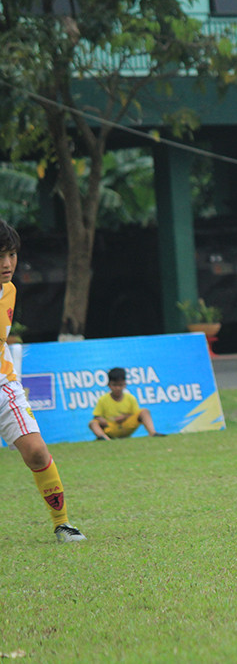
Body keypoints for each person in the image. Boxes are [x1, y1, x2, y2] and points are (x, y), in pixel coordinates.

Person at [0, 220, 86, 543]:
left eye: (11, 254)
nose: (7, 263)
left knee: (36, 451)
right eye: (0, 256)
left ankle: (62, 523)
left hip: (3, 386)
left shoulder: (9, 292)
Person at [89, 367, 167, 440]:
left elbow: (136, 414)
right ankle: (104, 438)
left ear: (125, 385)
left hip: (126, 426)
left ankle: (152, 432)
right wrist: (102, 420)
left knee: (144, 411)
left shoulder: (130, 398)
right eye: (114, 385)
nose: (117, 388)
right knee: (93, 423)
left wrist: (125, 417)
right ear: (109, 385)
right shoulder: (103, 399)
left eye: (120, 385)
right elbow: (96, 416)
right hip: (111, 427)